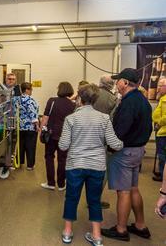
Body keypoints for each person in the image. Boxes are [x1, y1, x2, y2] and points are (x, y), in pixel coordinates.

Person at [59, 84, 123, 246]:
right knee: (94, 200)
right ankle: (97, 236)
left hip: (75, 165)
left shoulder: (71, 119)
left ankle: (67, 233)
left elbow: (63, 145)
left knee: (71, 198)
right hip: (97, 166)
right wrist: (124, 145)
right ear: (95, 99)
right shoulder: (104, 118)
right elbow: (114, 144)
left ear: (79, 98)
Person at [102, 68, 153, 241]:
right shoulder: (143, 100)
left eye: (118, 81)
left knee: (123, 192)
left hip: (125, 152)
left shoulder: (129, 103)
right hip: (138, 150)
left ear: (124, 83)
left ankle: (121, 229)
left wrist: (110, 147)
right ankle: (140, 225)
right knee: (133, 188)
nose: (116, 84)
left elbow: (120, 131)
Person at [40, 82, 75, 191]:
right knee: (62, 159)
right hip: (65, 136)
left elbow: (45, 118)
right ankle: (61, 184)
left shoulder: (52, 101)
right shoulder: (73, 104)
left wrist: (41, 130)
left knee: (49, 157)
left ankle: (50, 183)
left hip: (51, 134)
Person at [92, 75, 118, 209]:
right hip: (101, 140)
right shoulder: (113, 99)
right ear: (111, 85)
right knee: (102, 171)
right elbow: (113, 121)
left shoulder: (90, 93)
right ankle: (95, 200)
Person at [12, 82, 39, 170]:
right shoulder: (29, 100)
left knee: (20, 145)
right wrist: (37, 125)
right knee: (30, 146)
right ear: (27, 90)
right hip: (30, 127)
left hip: (19, 126)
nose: (31, 91)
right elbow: (32, 114)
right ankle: (30, 165)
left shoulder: (16, 99)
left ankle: (19, 162)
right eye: (31, 90)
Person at [152, 77, 166, 182]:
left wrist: (159, 123)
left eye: (160, 86)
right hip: (161, 130)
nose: (158, 88)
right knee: (161, 153)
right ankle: (161, 172)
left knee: (162, 155)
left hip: (163, 131)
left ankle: (163, 175)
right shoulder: (162, 97)